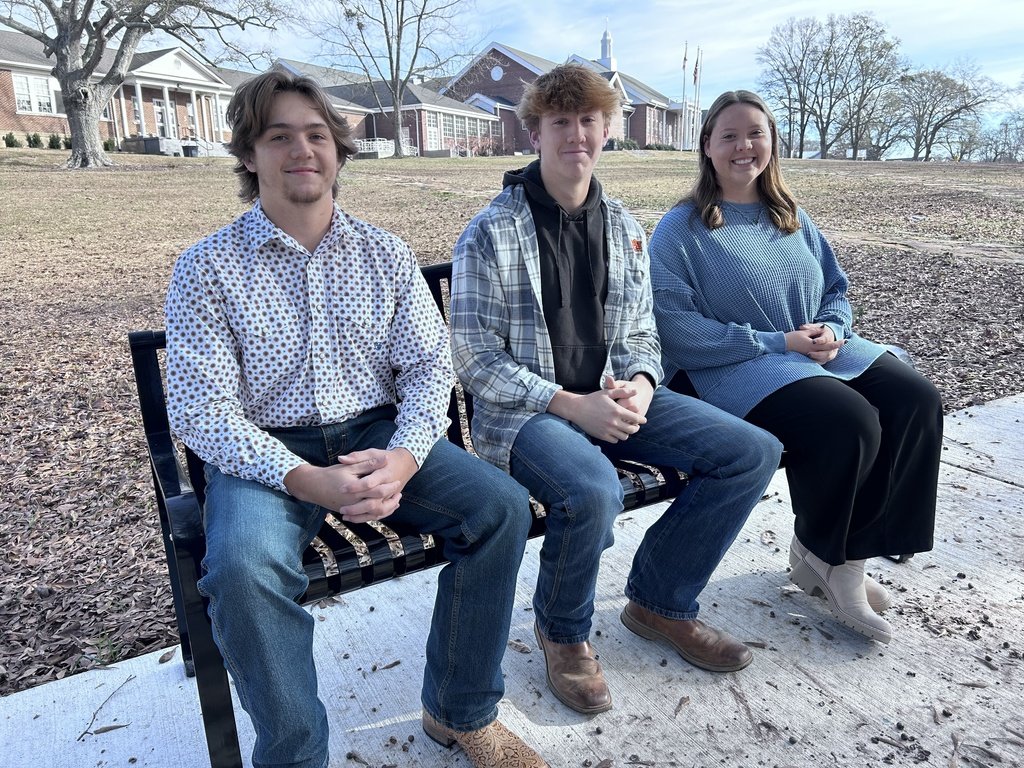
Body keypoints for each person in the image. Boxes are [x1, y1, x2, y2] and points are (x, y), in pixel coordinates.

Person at [164, 69, 548, 768]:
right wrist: (305, 478)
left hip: (376, 434)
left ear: (339, 150)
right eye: (278, 137)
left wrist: (404, 456)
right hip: (265, 452)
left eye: (317, 135)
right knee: (243, 571)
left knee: (499, 509)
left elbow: (428, 368)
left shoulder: (384, 254)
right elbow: (202, 410)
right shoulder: (207, 269)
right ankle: (295, 756)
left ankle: (459, 711)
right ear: (248, 154)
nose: (302, 150)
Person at [450, 64, 782, 716]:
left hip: (611, 399)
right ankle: (563, 632)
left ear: (606, 130)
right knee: (593, 489)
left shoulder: (623, 225)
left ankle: (660, 602)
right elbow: (474, 357)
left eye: (588, 121)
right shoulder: (492, 231)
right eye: (560, 122)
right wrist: (571, 405)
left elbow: (641, 331)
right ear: (535, 132)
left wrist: (642, 385)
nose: (576, 134)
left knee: (751, 452)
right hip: (528, 414)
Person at [648, 89, 942, 646]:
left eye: (755, 133)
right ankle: (833, 559)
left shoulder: (790, 216)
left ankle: (840, 552)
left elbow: (835, 289)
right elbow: (677, 330)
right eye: (729, 136)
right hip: (737, 362)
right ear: (707, 146)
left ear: (772, 143)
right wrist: (778, 341)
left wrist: (834, 329)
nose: (744, 146)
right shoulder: (681, 229)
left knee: (915, 400)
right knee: (849, 419)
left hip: (812, 347)